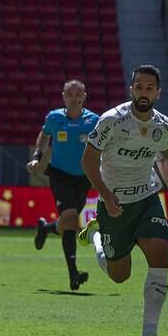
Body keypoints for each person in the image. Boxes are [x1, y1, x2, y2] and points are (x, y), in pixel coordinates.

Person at [78, 65, 168, 336]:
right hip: (114, 204)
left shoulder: (163, 125)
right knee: (120, 275)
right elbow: (88, 161)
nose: (144, 92)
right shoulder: (112, 121)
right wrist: (106, 196)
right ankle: (97, 238)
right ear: (131, 90)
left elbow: (163, 160)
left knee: (160, 252)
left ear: (158, 92)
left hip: (147, 197)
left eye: (149, 88)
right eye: (139, 87)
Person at [26, 80, 99, 291]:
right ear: (63, 97)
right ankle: (73, 274)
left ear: (85, 96)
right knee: (70, 219)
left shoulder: (94, 121)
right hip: (60, 175)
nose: (74, 98)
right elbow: (44, 135)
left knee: (69, 223)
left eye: (78, 94)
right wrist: (37, 156)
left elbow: (103, 145)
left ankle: (46, 228)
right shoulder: (54, 118)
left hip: (83, 178)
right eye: (70, 94)